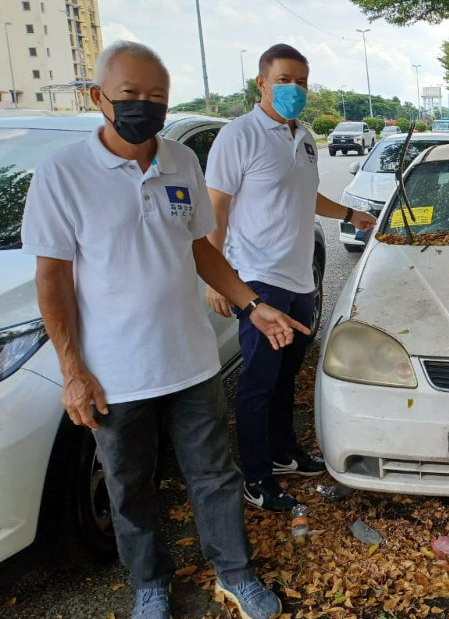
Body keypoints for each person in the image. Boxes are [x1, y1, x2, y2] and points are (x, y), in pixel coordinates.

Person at [21, 41, 303, 619]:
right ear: (100, 97)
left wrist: (252, 305)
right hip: (114, 373)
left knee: (214, 476)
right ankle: (149, 584)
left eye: (156, 96)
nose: (143, 106)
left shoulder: (181, 160)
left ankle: (235, 573)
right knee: (129, 487)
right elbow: (51, 277)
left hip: (191, 360)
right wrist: (71, 370)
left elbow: (200, 247)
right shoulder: (63, 173)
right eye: (130, 95)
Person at [205, 44, 377, 512]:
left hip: (301, 280)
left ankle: (283, 454)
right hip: (259, 281)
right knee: (258, 382)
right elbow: (215, 208)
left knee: (285, 378)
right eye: (285, 79)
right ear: (261, 82)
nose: (295, 89)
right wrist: (218, 279)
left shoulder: (302, 135)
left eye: (302, 81)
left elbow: (307, 195)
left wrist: (349, 213)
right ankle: (256, 476)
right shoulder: (238, 137)